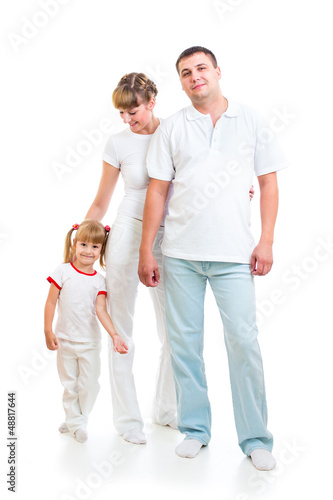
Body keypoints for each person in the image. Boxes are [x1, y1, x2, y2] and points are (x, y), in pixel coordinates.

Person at [138, 46, 288, 470]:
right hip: (180, 255)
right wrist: (148, 249)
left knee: (243, 342)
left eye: (201, 68)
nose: (194, 77)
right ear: (181, 82)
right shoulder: (172, 128)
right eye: (185, 73)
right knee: (185, 345)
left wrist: (268, 240)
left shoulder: (251, 120)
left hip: (235, 255)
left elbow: (268, 182)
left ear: (218, 71)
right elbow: (157, 191)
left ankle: (256, 439)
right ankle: (194, 430)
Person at [84, 73, 177, 445]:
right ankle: (127, 421)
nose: (127, 118)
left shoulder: (176, 130)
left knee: (175, 329)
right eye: (121, 112)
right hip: (127, 233)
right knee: (120, 328)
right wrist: (84, 239)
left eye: (133, 110)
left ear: (152, 101)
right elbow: (102, 199)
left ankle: (167, 409)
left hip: (171, 236)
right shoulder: (118, 142)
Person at [44, 220, 128, 443]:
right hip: (64, 340)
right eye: (83, 244)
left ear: (102, 250)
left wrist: (115, 335)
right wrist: (47, 330)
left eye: (95, 247)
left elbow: (101, 311)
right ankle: (76, 422)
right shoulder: (62, 272)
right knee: (70, 384)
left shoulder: (100, 281)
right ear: (74, 244)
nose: (88, 251)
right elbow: (51, 303)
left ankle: (76, 418)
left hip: (89, 343)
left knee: (89, 384)